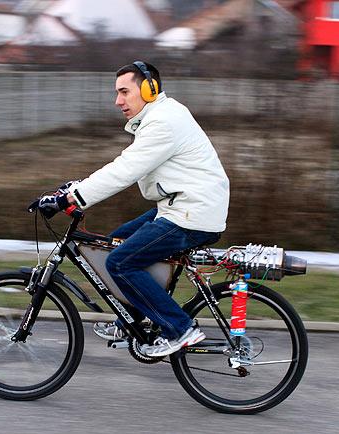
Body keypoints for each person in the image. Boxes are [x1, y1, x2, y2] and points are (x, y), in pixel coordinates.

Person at [37, 61, 230, 357]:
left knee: (120, 262)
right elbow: (127, 162)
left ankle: (180, 330)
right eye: (117, 93)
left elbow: (124, 170)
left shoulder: (163, 122)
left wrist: (71, 198)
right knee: (117, 241)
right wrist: (76, 187)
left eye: (124, 92)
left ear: (149, 89)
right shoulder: (162, 116)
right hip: (185, 206)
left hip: (192, 213)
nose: (118, 101)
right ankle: (132, 319)